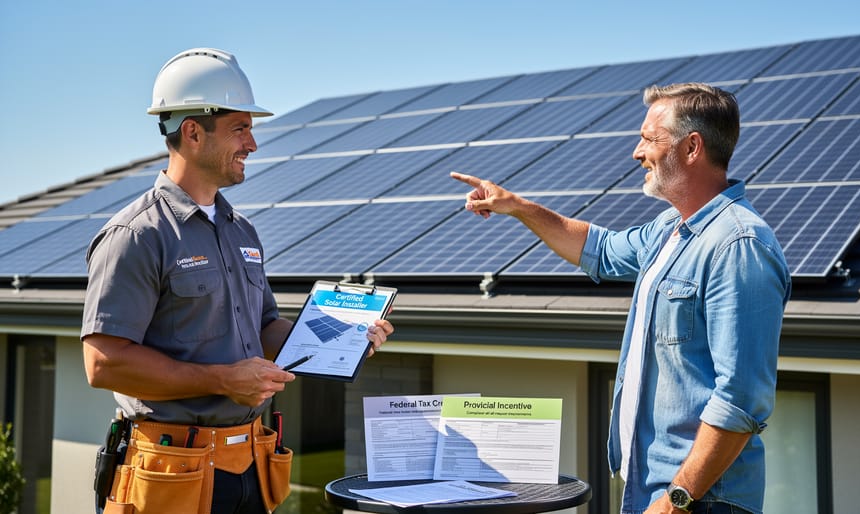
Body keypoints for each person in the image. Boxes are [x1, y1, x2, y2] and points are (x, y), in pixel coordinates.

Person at [452, 83, 790, 514]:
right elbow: (600, 249)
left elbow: (741, 398)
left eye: (650, 139)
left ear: (691, 148)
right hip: (650, 491)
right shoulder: (671, 228)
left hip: (700, 501)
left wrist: (677, 500)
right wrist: (516, 206)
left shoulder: (738, 245)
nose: (637, 152)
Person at [81, 48, 393, 514]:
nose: (252, 144)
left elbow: (264, 329)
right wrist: (222, 380)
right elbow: (104, 364)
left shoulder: (241, 230)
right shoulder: (137, 235)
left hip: (249, 464)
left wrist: (343, 339)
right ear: (192, 132)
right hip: (171, 470)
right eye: (239, 129)